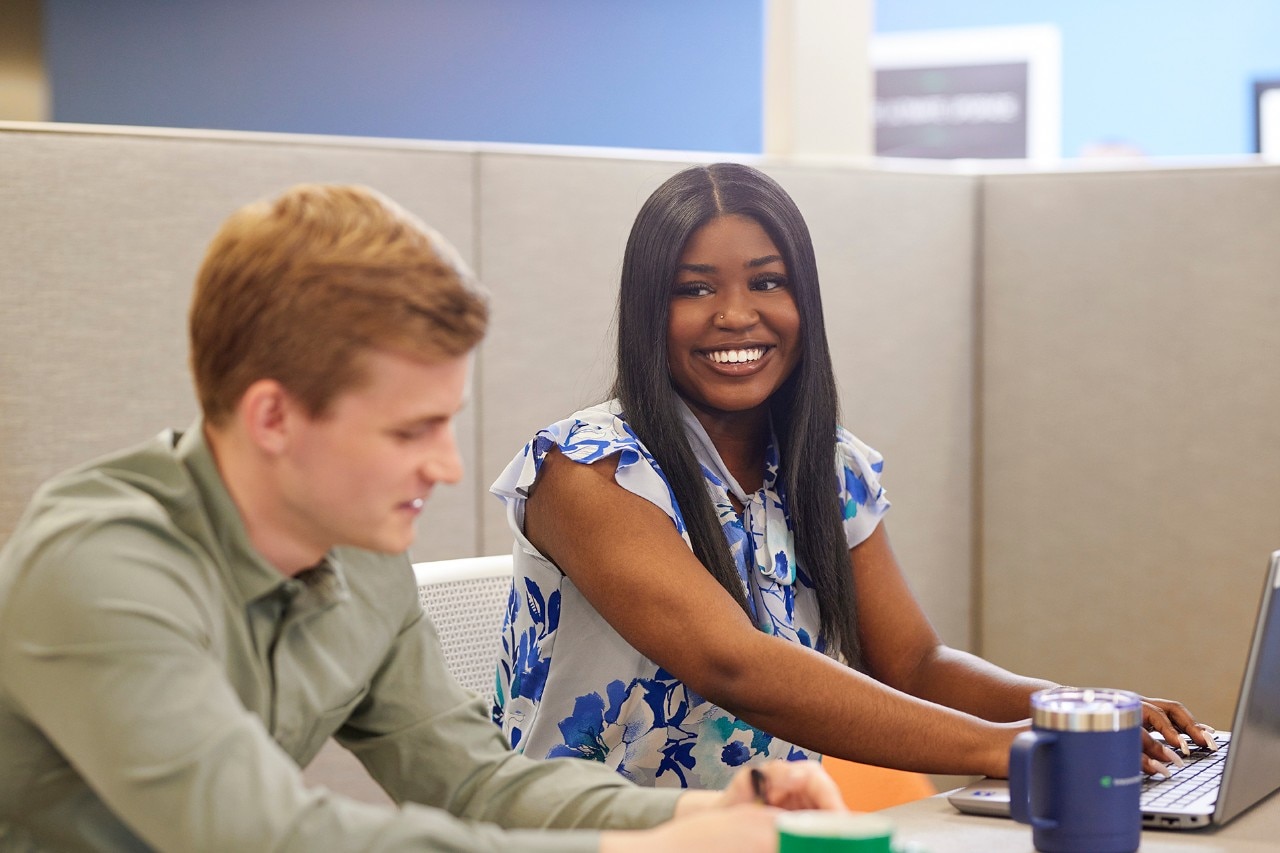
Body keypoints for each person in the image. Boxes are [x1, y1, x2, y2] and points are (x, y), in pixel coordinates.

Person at [0, 183, 843, 852]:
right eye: (411, 430)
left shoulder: (358, 557)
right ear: (272, 418)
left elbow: (478, 782)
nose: (447, 467)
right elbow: (258, 836)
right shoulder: (98, 568)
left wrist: (697, 817)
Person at [490, 163, 1217, 790]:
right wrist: (1007, 747)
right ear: (649, 310)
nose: (737, 314)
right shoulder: (587, 467)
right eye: (695, 289)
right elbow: (733, 664)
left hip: (758, 831)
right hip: (588, 835)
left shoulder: (824, 464)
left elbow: (914, 661)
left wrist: (1083, 711)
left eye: (768, 281)